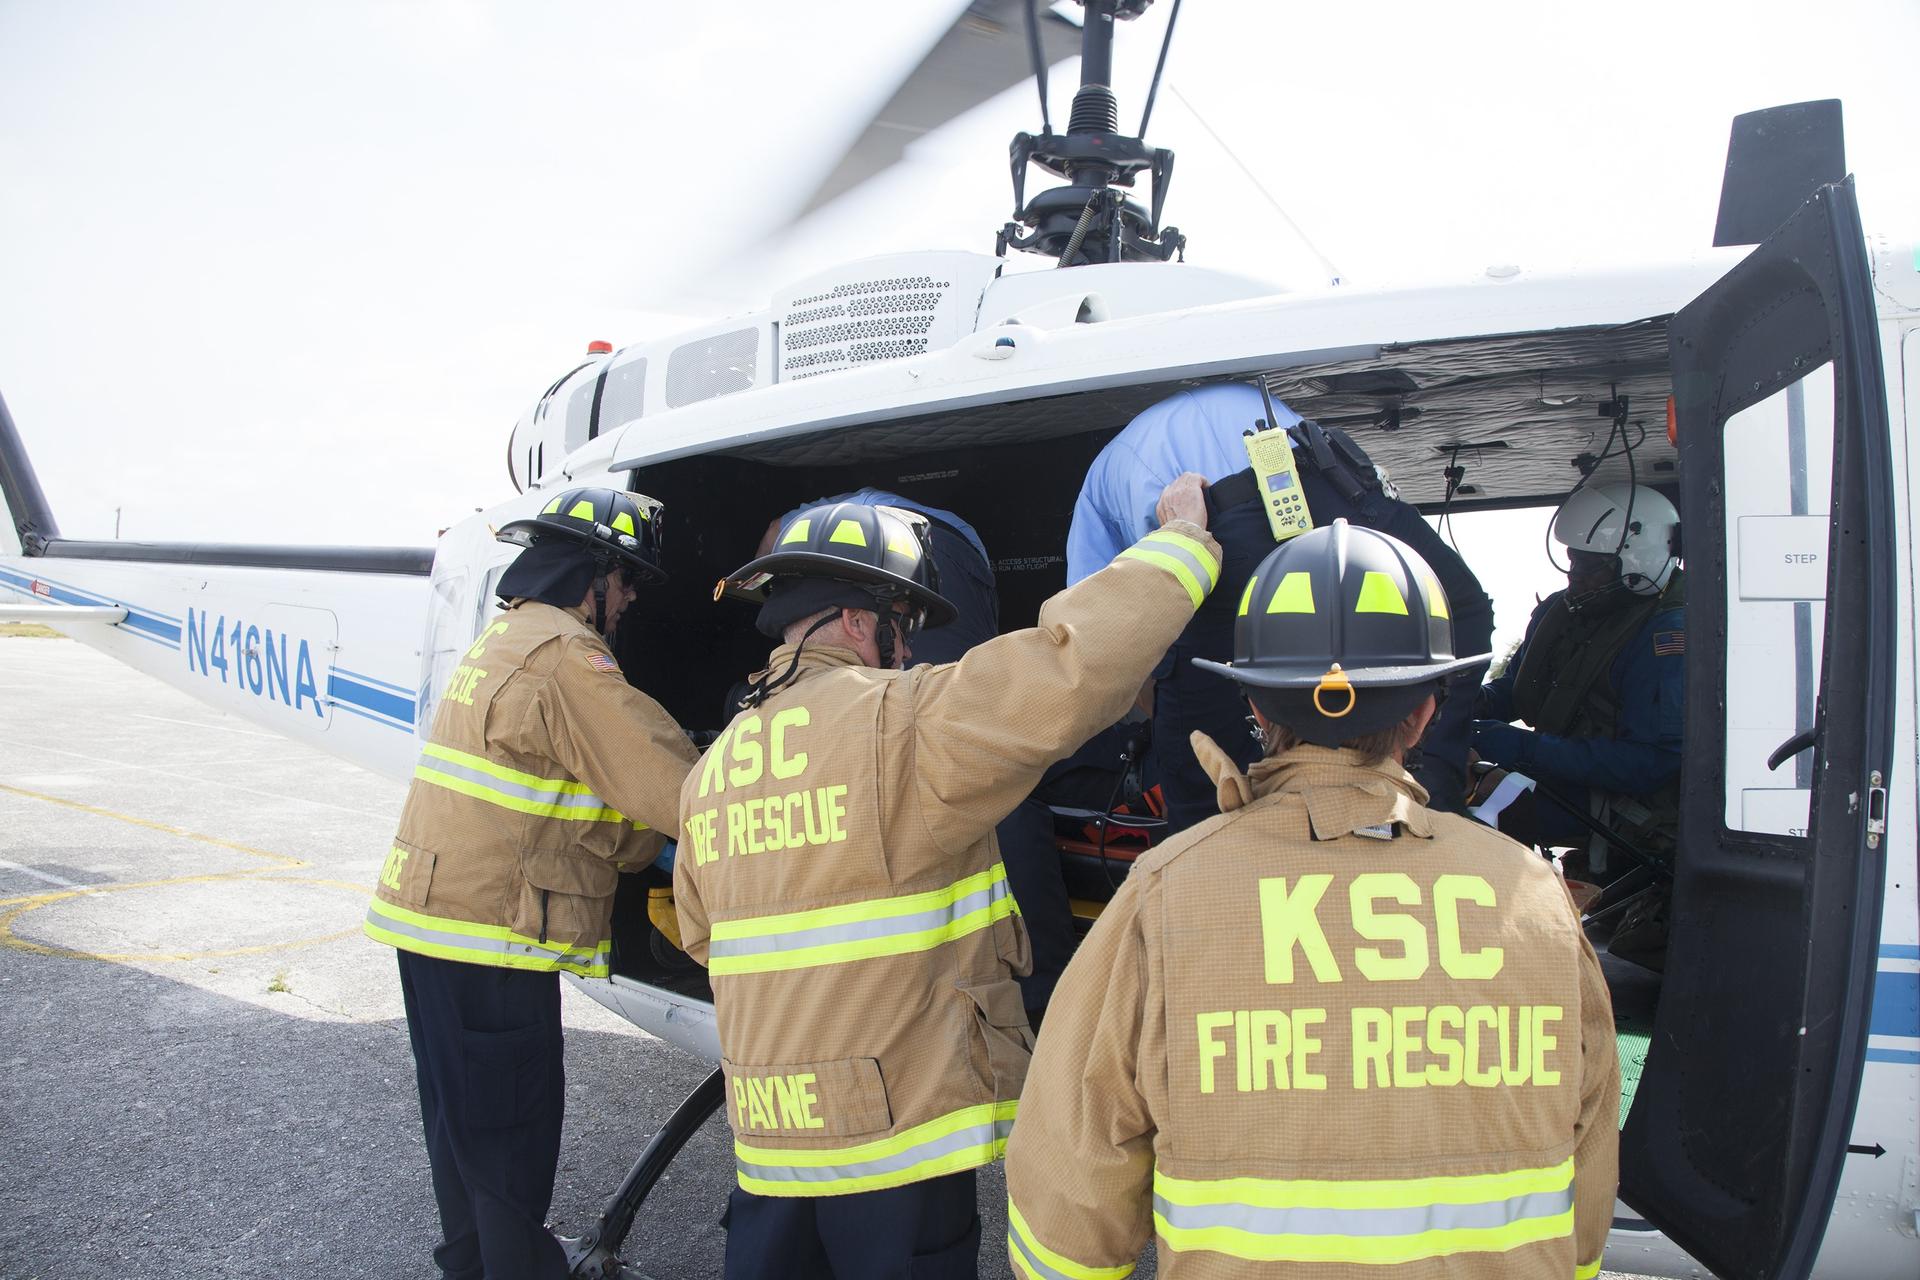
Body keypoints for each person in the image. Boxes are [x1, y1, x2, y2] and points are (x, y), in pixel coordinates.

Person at [1004, 520, 1617, 1280]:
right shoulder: (1535, 898)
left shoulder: (1164, 895)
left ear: (1258, 711)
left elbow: (1067, 1202)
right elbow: (1587, 1190)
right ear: (1424, 714)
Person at [673, 484, 1222, 1279]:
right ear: (857, 620)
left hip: (769, 1145)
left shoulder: (714, 770)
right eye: (902, 626)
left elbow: (703, 936)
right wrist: (1183, 546)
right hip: (896, 1145)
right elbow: (1072, 663)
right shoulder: (903, 723)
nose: (907, 651)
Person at [364, 486, 699, 1280]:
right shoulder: (568, 659)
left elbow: (561, 798)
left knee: (465, 1137)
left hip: (432, 925)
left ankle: (473, 1265)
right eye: (626, 582)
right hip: (493, 939)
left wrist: (630, 841)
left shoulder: (506, 638)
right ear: (593, 576)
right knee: (513, 1136)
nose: (629, 602)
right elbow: (676, 785)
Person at [1067, 381, 1495, 829]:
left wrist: (1179, 719)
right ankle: (1431, 802)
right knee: (1461, 613)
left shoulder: (1100, 485)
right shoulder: (1249, 400)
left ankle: (1222, 850)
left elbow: (1109, 644)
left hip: (1220, 529)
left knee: (1205, 803)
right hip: (1337, 487)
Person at [1472, 482, 1683, 937]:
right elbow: (1518, 690)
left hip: (1626, 805)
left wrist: (1519, 747)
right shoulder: (1564, 613)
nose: (1575, 576)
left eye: (1591, 567)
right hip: (1564, 776)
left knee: (1468, 813)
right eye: (1573, 561)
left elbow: (1650, 765)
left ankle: (1505, 937)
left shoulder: (1664, 636)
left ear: (1638, 562)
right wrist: (1466, 703)